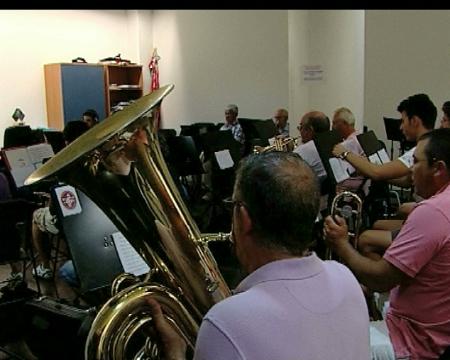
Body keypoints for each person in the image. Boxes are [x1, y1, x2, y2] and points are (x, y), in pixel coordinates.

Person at [148, 151, 370, 360]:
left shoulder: (227, 322)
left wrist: (176, 353)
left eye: (233, 204)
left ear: (243, 218)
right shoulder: (346, 278)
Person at [324, 128, 450, 359]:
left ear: (438, 169)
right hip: (437, 334)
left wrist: (342, 244)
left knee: (325, 345)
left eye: (416, 162)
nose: (411, 169)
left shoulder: (432, 212)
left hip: (413, 341)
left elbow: (380, 279)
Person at [333, 93, 436, 187]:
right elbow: (406, 180)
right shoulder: (432, 144)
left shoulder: (420, 151)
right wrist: (367, 169)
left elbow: (377, 172)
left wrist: (345, 153)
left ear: (414, 121)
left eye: (403, 121)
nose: (401, 127)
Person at [31, 120, 90, 279]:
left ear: (67, 142)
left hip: (71, 222)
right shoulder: (94, 158)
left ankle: (45, 266)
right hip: (90, 218)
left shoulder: (67, 163)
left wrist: (51, 199)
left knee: (37, 217)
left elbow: (55, 209)